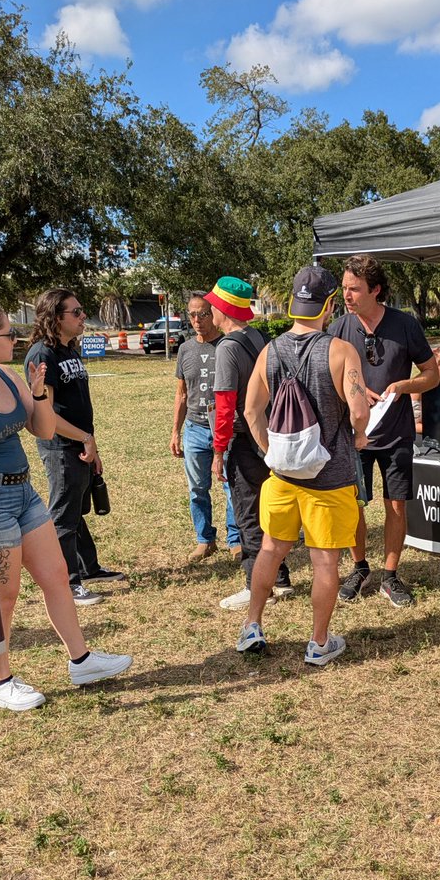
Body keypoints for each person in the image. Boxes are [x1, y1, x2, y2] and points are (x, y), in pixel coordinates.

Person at [0, 298, 132, 711]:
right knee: (2, 594)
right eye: (8, 333)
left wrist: (38, 394)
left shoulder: (6, 376)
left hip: (22, 493)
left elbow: (42, 429)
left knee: (56, 575)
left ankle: (82, 661)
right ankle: (0, 682)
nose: (17, 339)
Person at [239, 266, 369, 664]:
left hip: (282, 477)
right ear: (329, 305)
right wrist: (359, 436)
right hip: (330, 478)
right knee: (324, 560)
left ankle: (252, 625)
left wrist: (272, 451)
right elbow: (359, 410)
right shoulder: (341, 351)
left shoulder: (269, 350)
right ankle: (318, 642)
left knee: (270, 549)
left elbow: (251, 411)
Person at [329, 255, 439, 607]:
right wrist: (355, 391)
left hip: (396, 434)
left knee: (396, 506)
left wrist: (404, 386)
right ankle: (359, 567)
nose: (347, 295)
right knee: (354, 505)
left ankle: (390, 575)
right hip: (353, 436)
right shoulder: (338, 329)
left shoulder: (405, 325)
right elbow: (327, 378)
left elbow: (432, 374)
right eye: (344, 288)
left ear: (375, 289)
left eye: (354, 289)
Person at [24, 289, 125, 605]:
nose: (83, 317)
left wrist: (92, 444)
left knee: (75, 511)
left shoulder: (69, 350)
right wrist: (84, 438)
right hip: (60, 448)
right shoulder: (43, 355)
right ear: (56, 317)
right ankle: (68, 582)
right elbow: (47, 415)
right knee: (63, 517)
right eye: (76, 312)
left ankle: (87, 568)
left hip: (80, 444)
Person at [206, 276, 294, 610]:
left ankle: (255, 585)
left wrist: (218, 451)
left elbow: (225, 405)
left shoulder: (227, 348)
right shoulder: (258, 337)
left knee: (248, 515)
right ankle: (280, 578)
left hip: (246, 440)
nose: (210, 312)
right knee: (270, 512)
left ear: (224, 310)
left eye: (213, 306)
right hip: (272, 435)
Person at [170, 291, 241, 562]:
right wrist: (175, 432)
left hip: (225, 428)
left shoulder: (227, 345)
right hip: (195, 428)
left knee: (230, 487)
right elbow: (181, 394)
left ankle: (235, 540)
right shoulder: (185, 349)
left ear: (215, 314)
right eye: (192, 315)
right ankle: (205, 539)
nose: (197, 320)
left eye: (203, 314)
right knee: (197, 489)